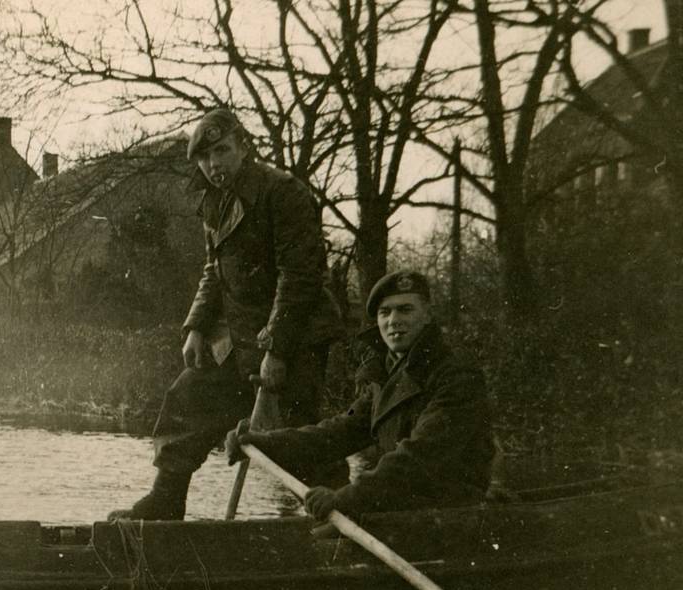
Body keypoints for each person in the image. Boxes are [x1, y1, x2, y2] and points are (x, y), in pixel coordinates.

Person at [109, 108, 343, 521]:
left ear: (243, 146)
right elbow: (213, 271)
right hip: (238, 338)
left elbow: (299, 278)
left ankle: (341, 517)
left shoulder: (283, 193)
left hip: (295, 336)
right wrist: (197, 326)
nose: (213, 164)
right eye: (204, 157)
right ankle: (165, 502)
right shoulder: (214, 203)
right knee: (187, 401)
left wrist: (278, 350)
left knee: (299, 437)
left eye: (221, 151)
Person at [224, 271, 495, 520]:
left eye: (405, 310)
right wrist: (264, 443)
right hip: (403, 510)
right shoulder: (385, 376)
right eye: (384, 312)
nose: (393, 321)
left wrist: (345, 497)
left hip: (453, 515)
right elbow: (338, 433)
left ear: (427, 315)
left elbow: (419, 457)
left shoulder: (456, 374)